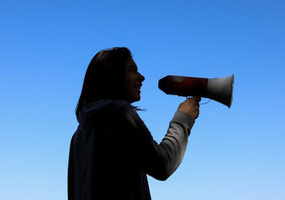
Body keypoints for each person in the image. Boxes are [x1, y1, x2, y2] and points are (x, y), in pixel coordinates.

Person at [68, 47, 200, 200]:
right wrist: (183, 118)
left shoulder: (77, 137)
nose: (142, 77)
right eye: (132, 70)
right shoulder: (120, 114)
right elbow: (162, 165)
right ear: (113, 75)